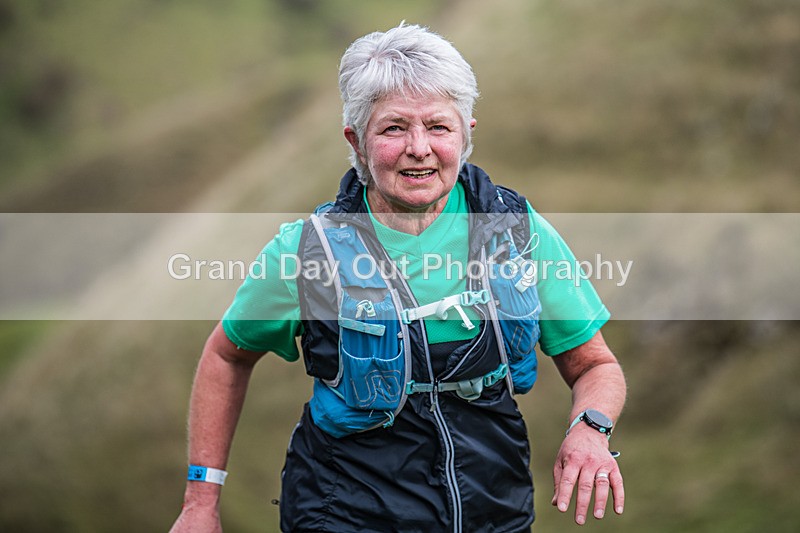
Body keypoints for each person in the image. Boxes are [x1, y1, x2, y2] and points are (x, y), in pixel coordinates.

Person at [170, 22, 626, 532]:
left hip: (494, 510)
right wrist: (201, 501)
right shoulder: (307, 252)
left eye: (438, 126)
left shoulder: (516, 231)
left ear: (466, 133)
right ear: (357, 141)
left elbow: (596, 365)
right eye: (393, 128)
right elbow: (227, 355)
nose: (419, 147)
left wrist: (590, 428)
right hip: (343, 512)